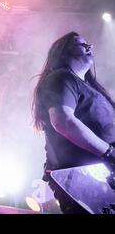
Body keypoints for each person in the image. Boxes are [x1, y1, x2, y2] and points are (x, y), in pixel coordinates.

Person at [32, 32, 115, 213]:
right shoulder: (60, 77)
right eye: (80, 43)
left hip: (101, 177)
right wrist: (109, 152)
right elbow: (63, 120)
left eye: (88, 43)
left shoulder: (92, 88)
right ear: (63, 52)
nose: (89, 47)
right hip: (81, 178)